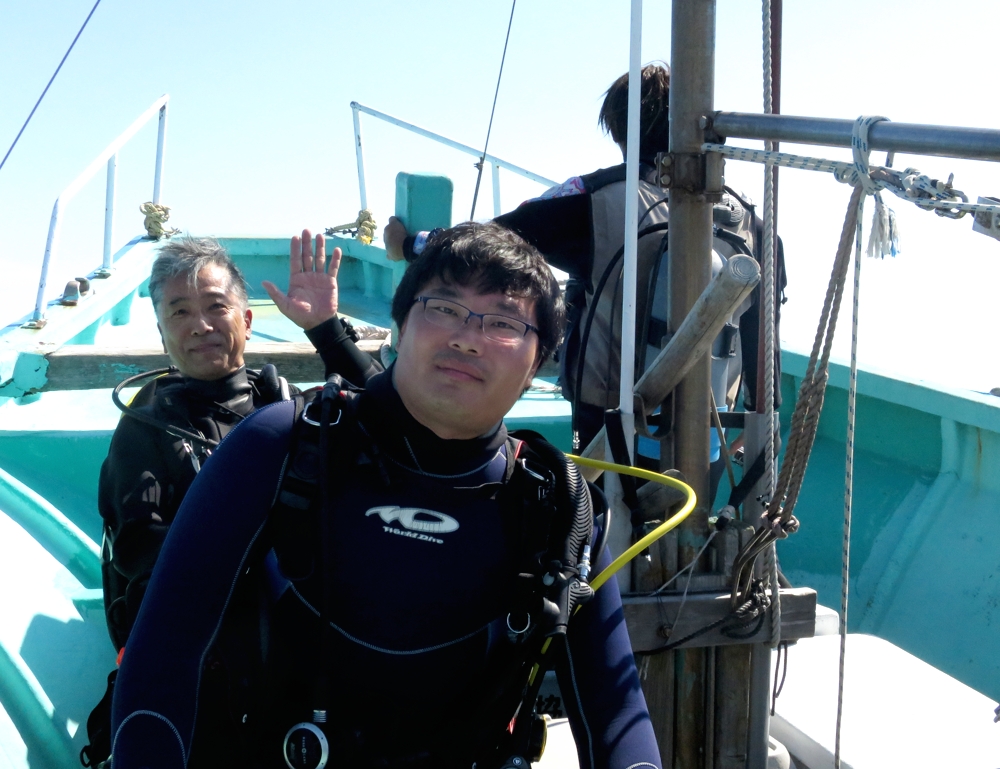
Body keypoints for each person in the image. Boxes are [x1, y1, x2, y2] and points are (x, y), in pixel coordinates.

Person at [109, 222, 662, 769]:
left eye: (502, 322)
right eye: (443, 307)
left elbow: (615, 710)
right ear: (401, 322)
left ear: (537, 362)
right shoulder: (281, 447)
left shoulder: (557, 507)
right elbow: (164, 656)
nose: (466, 337)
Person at [385, 64, 784, 490]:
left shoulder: (595, 197)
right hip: (712, 429)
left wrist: (409, 245)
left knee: (599, 524)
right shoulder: (756, 228)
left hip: (606, 419)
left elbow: (486, 246)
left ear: (618, 129)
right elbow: (764, 345)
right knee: (689, 523)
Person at [99, 232, 376, 653]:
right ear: (161, 332)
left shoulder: (290, 408)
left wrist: (326, 330)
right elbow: (139, 550)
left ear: (245, 321)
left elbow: (392, 412)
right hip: (210, 645)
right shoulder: (147, 423)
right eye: (179, 312)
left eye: (216, 307)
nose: (200, 325)